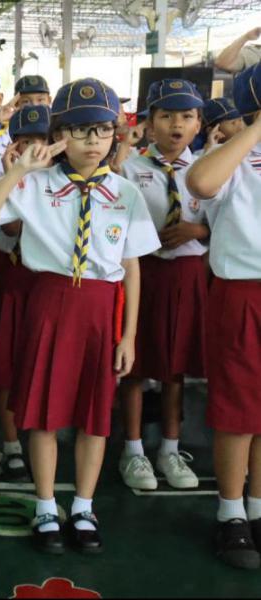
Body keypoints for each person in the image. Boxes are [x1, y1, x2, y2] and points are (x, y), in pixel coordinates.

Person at [0, 78, 161, 555]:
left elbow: (132, 268)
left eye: (101, 130)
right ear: (59, 135)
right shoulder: (36, 185)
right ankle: (44, 507)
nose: (92, 141)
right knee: (43, 414)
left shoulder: (125, 192)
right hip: (49, 303)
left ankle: (82, 506)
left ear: (114, 134)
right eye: (79, 130)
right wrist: (18, 171)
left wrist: (128, 336)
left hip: (101, 308)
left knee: (94, 415)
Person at [186, 62, 261, 570]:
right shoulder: (235, 156)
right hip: (242, 291)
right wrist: (254, 129)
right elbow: (200, 182)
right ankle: (230, 513)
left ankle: (257, 506)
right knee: (238, 408)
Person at [118, 79, 208, 491]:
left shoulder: (207, 170)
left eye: (186, 116)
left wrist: (198, 230)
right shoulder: (131, 168)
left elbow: (224, 222)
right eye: (166, 115)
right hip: (144, 275)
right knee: (135, 366)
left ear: (199, 124)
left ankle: (170, 448)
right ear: (149, 123)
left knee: (175, 367)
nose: (177, 124)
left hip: (186, 275)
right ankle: (133, 450)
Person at [0, 104, 51, 482]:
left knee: (41, 364)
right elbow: (10, 228)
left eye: (42, 139)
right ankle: (11, 445)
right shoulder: (2, 181)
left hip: (46, 283)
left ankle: (40, 437)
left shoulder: (63, 182)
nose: (34, 148)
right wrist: (13, 175)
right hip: (10, 277)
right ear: (12, 145)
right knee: (5, 364)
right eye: (25, 141)